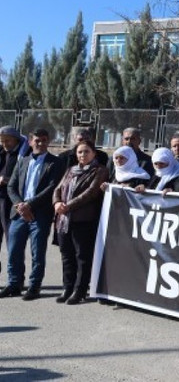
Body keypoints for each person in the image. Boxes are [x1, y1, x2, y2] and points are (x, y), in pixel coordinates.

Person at [0, 129, 66, 300]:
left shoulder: (55, 163)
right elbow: (11, 186)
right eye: (37, 140)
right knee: (14, 251)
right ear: (30, 142)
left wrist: (29, 205)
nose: (41, 143)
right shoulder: (23, 161)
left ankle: (34, 286)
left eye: (44, 140)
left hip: (40, 214)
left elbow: (52, 187)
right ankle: (14, 284)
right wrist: (20, 205)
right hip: (19, 213)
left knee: (37, 253)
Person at [52, 139, 108, 304]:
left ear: (94, 153)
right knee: (66, 256)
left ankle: (80, 290)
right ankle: (67, 288)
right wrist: (56, 203)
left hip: (83, 220)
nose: (83, 155)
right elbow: (58, 188)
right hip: (63, 220)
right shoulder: (70, 170)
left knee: (82, 257)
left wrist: (67, 206)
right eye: (79, 152)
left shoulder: (100, 170)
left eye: (86, 152)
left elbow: (91, 193)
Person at [0, 127, 29, 265]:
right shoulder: (2, 152)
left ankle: (16, 280)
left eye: (7, 141)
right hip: (0, 198)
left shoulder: (25, 154)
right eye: (2, 141)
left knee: (12, 241)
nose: (5, 144)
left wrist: (6, 180)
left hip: (12, 202)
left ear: (16, 139)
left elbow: (25, 177)